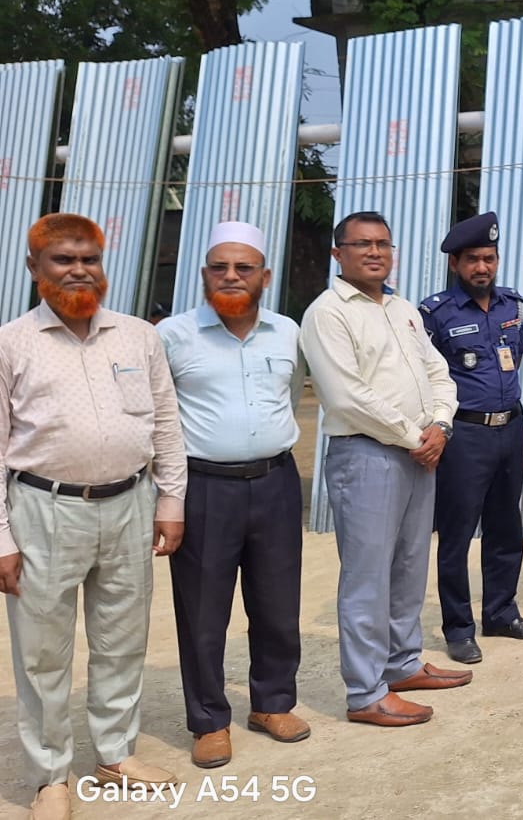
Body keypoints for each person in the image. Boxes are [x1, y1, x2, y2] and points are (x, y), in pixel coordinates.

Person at [0, 213, 187, 818]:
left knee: (121, 639)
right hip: (43, 509)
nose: (79, 269)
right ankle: (51, 774)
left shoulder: (138, 336)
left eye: (89, 258)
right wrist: (0, 535)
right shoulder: (11, 344)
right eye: (62, 258)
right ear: (34, 269)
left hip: (130, 505)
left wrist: (170, 499)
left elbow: (165, 423)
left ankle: (114, 754)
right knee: (42, 651)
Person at [301, 211, 469, 728]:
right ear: (339, 254)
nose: (375, 253)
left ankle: (401, 664)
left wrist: (440, 425)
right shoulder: (327, 313)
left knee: (409, 565)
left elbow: (439, 373)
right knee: (367, 577)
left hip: (422, 451)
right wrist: (414, 435)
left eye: (383, 244)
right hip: (368, 455)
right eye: (362, 244)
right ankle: (365, 692)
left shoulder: (403, 311)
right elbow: (346, 396)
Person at [158, 221, 309, 769]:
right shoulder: (172, 335)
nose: (231, 276)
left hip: (276, 482)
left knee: (276, 601)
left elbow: (290, 397)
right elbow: (157, 417)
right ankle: (208, 720)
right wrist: (166, 497)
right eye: (220, 267)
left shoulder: (287, 332)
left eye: (244, 268)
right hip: (204, 489)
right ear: (203, 275)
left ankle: (272, 703)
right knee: (202, 611)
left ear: (264, 276)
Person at [418, 212, 523, 666]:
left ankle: (501, 613)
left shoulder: (511, 305)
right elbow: (425, 379)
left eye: (488, 258)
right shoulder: (434, 314)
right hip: (465, 435)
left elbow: (516, 359)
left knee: (506, 528)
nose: (482, 267)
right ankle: (458, 627)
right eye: (472, 259)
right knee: (456, 535)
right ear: (455, 263)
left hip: (510, 428)